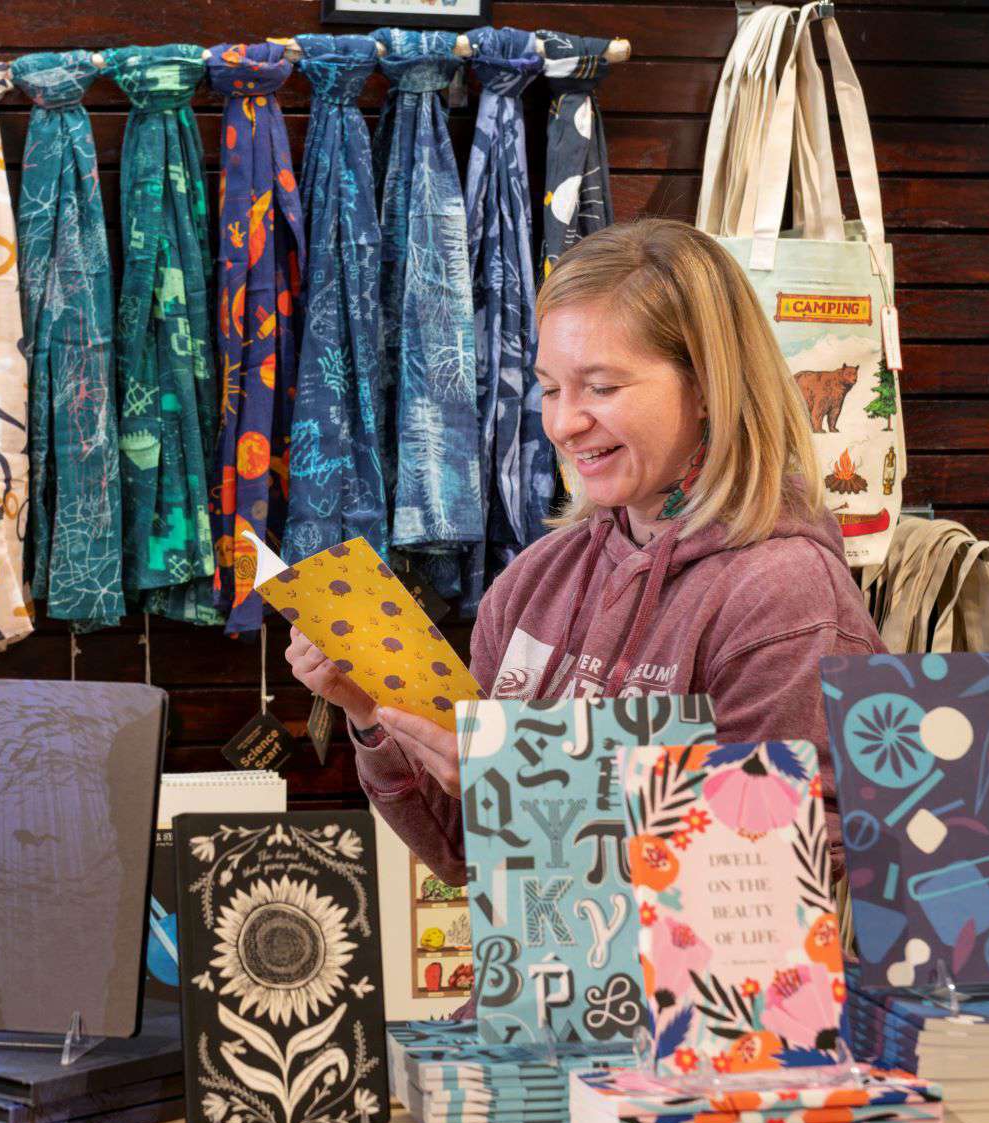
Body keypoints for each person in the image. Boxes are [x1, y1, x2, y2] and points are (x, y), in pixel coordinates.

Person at [286, 217, 882, 886]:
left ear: (711, 386)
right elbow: (462, 856)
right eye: (549, 387)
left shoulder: (782, 594)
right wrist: (370, 713)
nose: (565, 423)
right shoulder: (537, 579)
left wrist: (519, 784)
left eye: (601, 387)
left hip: (685, 995)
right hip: (522, 990)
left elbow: (791, 875)